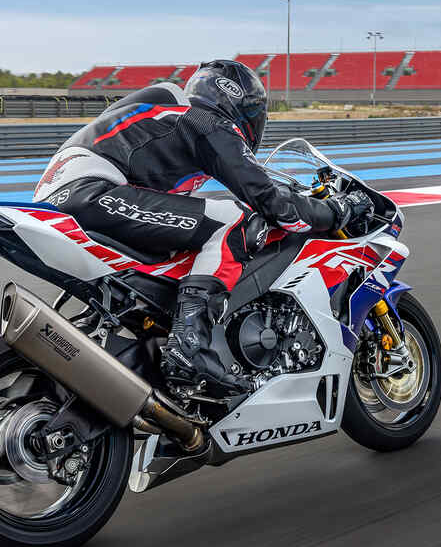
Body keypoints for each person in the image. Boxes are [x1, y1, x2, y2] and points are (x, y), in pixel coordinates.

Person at [33, 60, 373, 395]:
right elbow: (273, 204)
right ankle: (189, 345)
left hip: (69, 196)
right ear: (237, 101)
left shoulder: (167, 117)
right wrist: (337, 209)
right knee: (234, 220)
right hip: (92, 192)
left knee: (189, 245)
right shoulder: (204, 120)